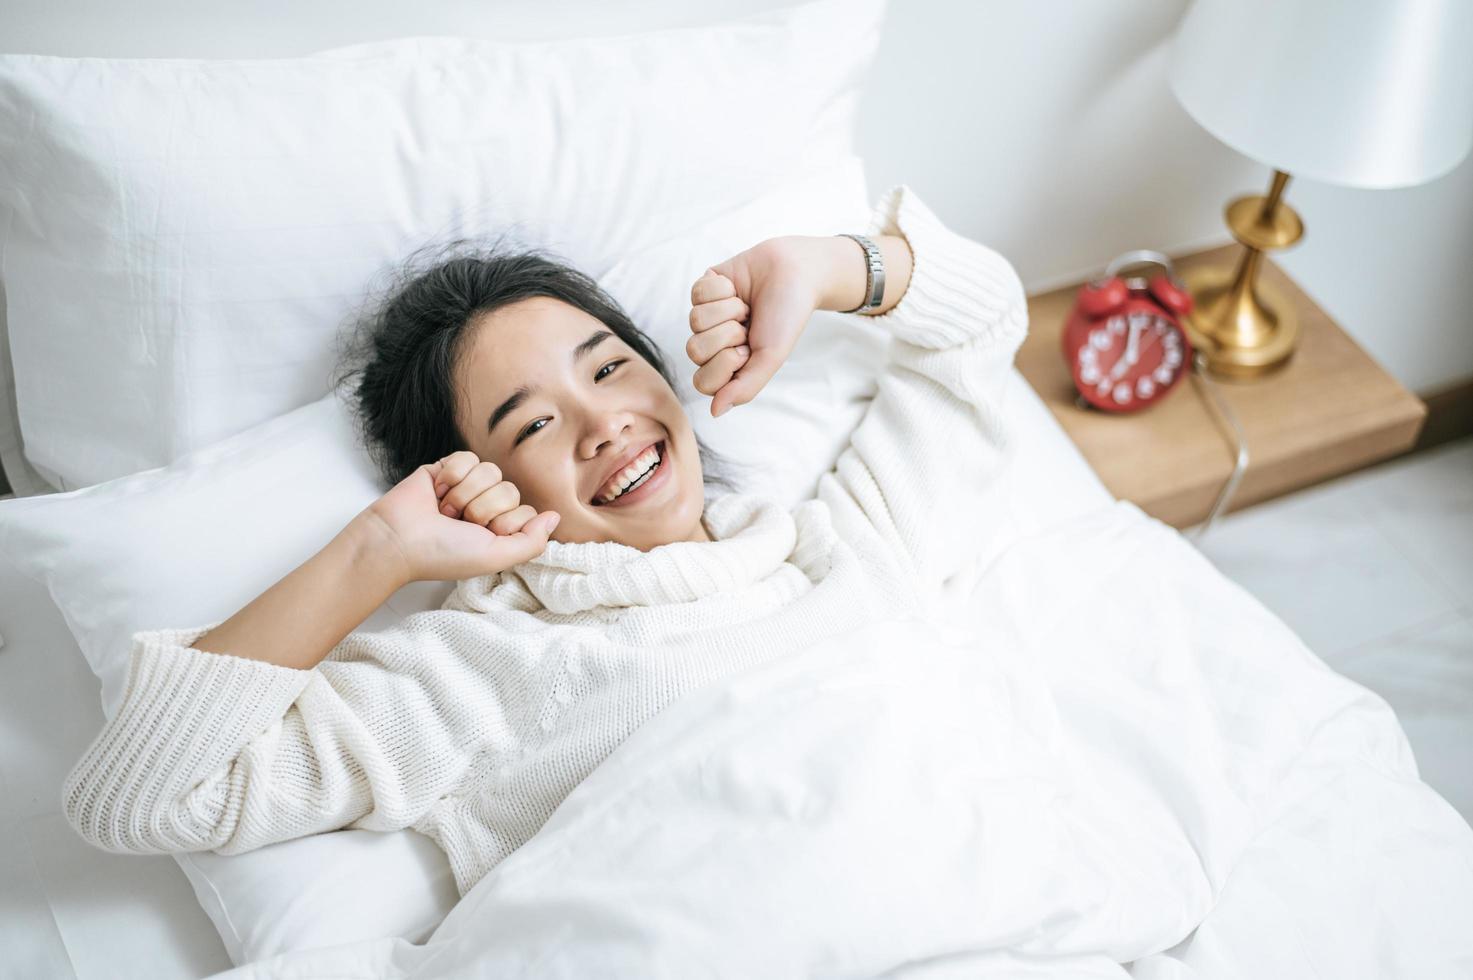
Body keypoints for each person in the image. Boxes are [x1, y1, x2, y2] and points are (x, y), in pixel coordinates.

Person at [61, 184, 1029, 900]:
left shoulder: (839, 546)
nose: (602, 423)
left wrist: (828, 266)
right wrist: (377, 551)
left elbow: (982, 323)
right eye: (529, 426)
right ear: (478, 487)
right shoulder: (491, 664)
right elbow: (139, 797)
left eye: (608, 367)